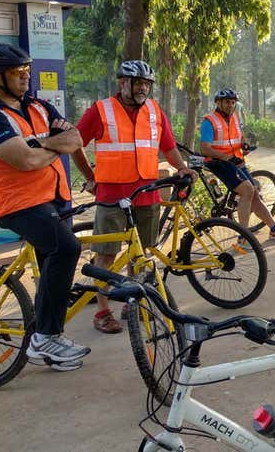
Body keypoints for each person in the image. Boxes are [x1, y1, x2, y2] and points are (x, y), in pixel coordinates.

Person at [71, 60, 196, 334]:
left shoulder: (154, 111)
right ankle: (103, 311)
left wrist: (182, 167)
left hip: (147, 194)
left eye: (146, 84)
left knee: (142, 253)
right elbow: (74, 144)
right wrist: (90, 177)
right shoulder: (100, 110)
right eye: (137, 82)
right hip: (112, 194)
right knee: (106, 255)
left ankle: (132, 301)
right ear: (122, 83)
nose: (142, 88)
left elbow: (169, 147)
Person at [0, 43, 88, 369]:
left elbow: (75, 138)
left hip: (53, 196)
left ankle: (48, 348)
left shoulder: (37, 106)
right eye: (17, 72)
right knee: (66, 249)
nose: (25, 77)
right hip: (18, 203)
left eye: (27, 71)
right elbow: (23, 159)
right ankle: (46, 336)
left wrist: (40, 143)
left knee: (51, 266)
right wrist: (49, 145)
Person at [199, 87, 275, 241]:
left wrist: (244, 146)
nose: (230, 105)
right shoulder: (210, 121)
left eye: (232, 102)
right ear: (218, 103)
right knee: (248, 190)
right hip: (219, 162)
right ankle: (244, 237)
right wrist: (226, 157)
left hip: (236, 160)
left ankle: (274, 229)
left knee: (254, 193)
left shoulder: (235, 117)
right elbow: (204, 148)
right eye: (227, 102)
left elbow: (239, 137)